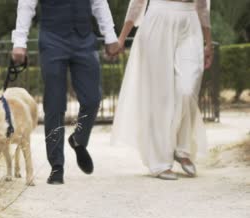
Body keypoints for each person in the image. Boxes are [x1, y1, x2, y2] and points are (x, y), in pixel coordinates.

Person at [11, 0, 120, 185]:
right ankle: (56, 166)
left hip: (85, 39)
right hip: (53, 40)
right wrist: (19, 41)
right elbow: (26, 5)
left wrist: (110, 35)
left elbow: (99, 3)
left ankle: (78, 139)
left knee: (93, 98)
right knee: (55, 103)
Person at [111, 0, 213, 180]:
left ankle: (182, 149)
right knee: (160, 95)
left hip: (190, 23)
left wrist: (209, 43)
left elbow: (203, 5)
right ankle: (160, 160)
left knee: (187, 89)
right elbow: (138, 2)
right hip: (158, 19)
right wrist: (121, 38)